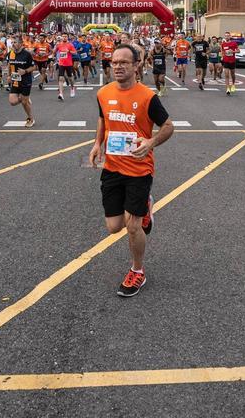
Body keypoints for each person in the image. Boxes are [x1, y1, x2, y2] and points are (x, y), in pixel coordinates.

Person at [88, 43, 174, 297]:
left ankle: (138, 271)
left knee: (132, 226)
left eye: (124, 62)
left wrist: (151, 142)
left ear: (136, 65)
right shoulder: (103, 93)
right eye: (114, 62)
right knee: (113, 226)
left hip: (139, 169)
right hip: (112, 168)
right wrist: (97, 143)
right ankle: (146, 207)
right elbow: (104, 118)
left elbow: (168, 126)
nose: (118, 66)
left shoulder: (147, 97)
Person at [7, 38, 37, 128]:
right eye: (12, 42)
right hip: (15, 81)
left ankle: (30, 119)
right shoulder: (10, 53)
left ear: (20, 44)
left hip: (26, 81)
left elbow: (34, 67)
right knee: (12, 102)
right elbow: (9, 65)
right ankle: (25, 99)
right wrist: (9, 76)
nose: (13, 44)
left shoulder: (27, 54)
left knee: (24, 103)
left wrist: (25, 71)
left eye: (15, 42)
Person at [54, 33, 78, 101]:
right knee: (61, 78)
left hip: (69, 64)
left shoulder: (70, 45)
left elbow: (75, 52)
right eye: (63, 36)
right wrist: (54, 51)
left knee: (70, 78)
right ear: (61, 37)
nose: (64, 38)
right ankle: (61, 94)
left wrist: (69, 51)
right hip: (61, 64)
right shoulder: (59, 45)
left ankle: (72, 88)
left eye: (65, 36)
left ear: (67, 37)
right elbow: (54, 52)